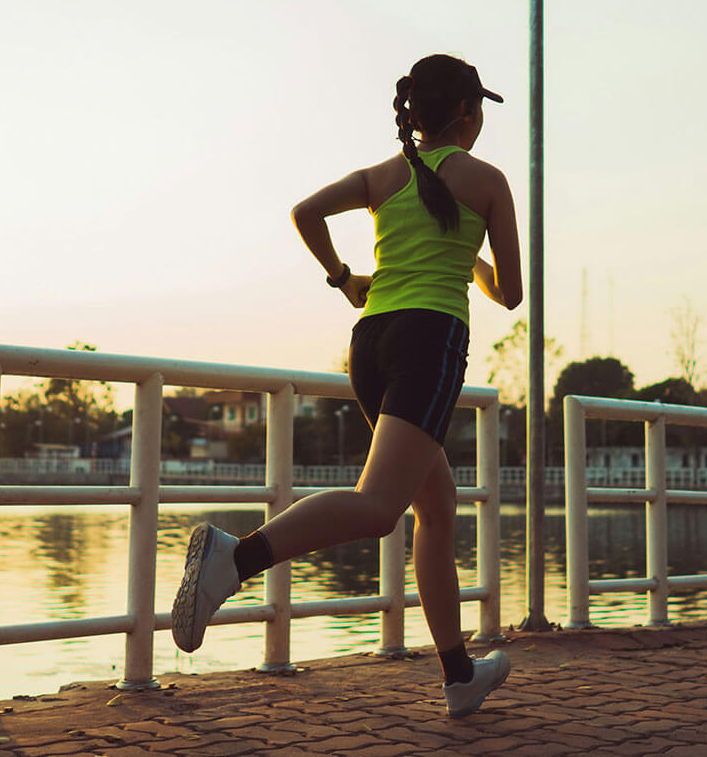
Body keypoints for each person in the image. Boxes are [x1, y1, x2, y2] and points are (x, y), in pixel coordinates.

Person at [171, 53, 524, 718]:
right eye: (479, 113)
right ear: (466, 114)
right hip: (430, 342)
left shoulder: (384, 176)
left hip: (371, 343)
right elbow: (510, 293)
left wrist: (344, 278)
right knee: (379, 506)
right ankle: (235, 558)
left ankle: (458, 676)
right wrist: (468, 253)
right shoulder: (487, 182)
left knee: (437, 505)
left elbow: (306, 213)